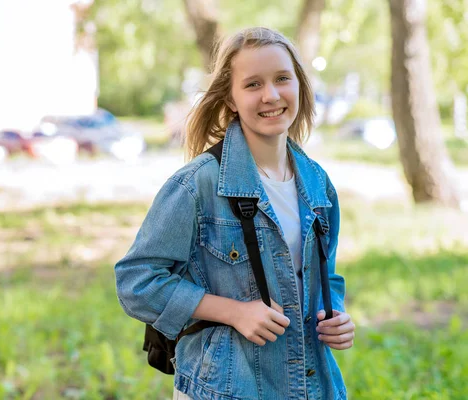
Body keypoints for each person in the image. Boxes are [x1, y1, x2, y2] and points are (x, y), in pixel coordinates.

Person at [114, 27, 355, 400]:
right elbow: (136, 281)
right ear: (231, 97)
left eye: (281, 79)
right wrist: (233, 311)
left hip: (311, 386)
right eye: (253, 84)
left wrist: (334, 313)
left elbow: (326, 275)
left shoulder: (318, 184)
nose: (271, 95)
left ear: (299, 86)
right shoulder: (197, 184)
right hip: (226, 388)